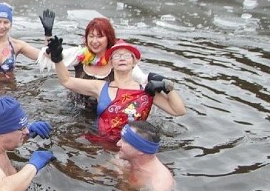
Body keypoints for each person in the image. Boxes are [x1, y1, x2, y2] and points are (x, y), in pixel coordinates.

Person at [48, 37, 186, 143]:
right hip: (102, 143)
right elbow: (66, 80)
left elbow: (178, 111)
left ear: (134, 62)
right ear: (111, 62)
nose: (122, 59)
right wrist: (57, 58)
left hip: (134, 145)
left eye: (126, 55)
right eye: (117, 56)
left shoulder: (146, 90)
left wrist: (167, 86)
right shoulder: (100, 87)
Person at [109, 121, 174, 191]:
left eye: (125, 141)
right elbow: (96, 174)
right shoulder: (122, 157)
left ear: (141, 149)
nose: (118, 144)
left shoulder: (159, 181)